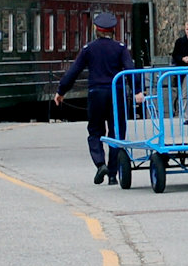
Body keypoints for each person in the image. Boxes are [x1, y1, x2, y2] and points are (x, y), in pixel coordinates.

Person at [54, 11, 135, 184]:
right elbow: (130, 70)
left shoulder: (88, 49)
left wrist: (61, 91)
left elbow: (73, 71)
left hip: (96, 93)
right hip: (116, 93)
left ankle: (100, 164)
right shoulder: (120, 48)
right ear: (113, 30)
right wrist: (138, 91)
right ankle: (112, 174)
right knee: (116, 132)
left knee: (95, 131)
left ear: (96, 30)